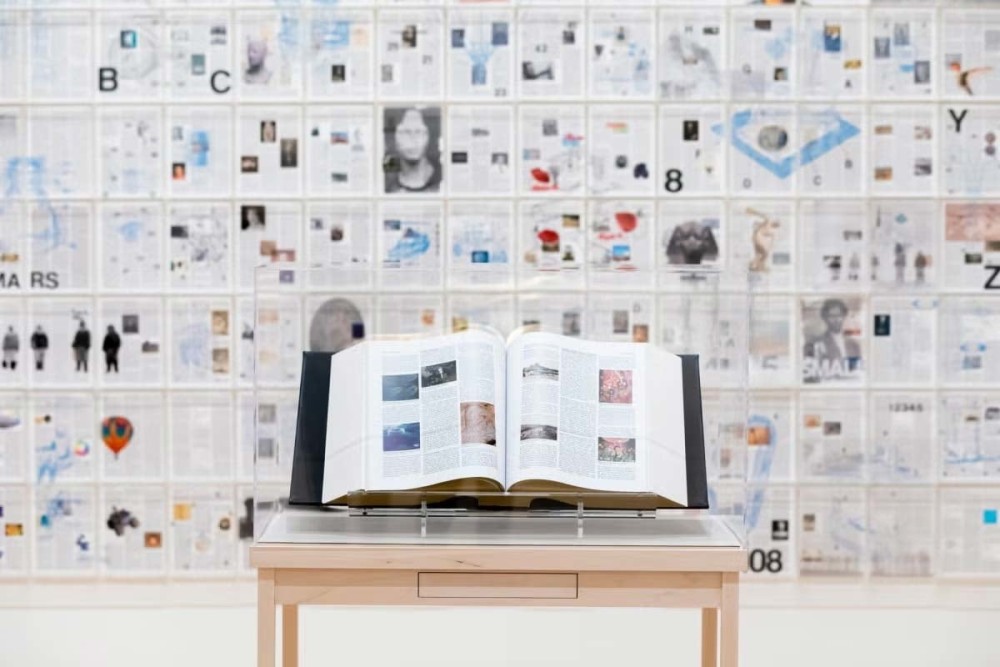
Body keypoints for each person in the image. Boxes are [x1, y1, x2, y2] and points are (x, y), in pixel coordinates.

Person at [384, 107, 441, 193]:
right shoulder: (385, 181)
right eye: (406, 132)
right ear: (394, 138)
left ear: (427, 136)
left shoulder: (443, 175)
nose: (413, 139)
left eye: (418, 132)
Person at [803, 299, 861, 381]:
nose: (836, 320)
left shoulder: (853, 345)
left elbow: (857, 372)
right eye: (832, 316)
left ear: (844, 316)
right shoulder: (815, 343)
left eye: (839, 315)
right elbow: (809, 375)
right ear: (825, 318)